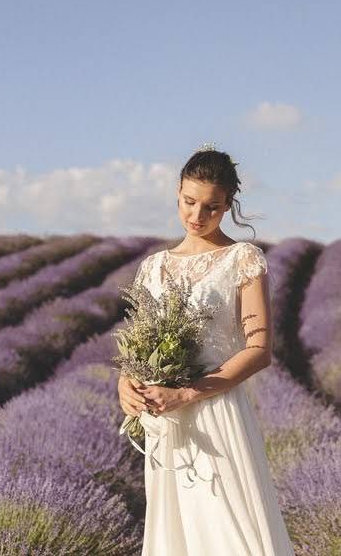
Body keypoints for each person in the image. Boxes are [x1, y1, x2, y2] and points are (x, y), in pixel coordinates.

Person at [117, 143, 296, 556]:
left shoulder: (242, 259)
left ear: (229, 205)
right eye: (189, 202)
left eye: (211, 208)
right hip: (164, 419)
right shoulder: (154, 266)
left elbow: (260, 349)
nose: (197, 216)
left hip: (216, 411)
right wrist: (126, 384)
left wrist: (186, 392)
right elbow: (138, 344)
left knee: (229, 529)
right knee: (178, 534)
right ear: (177, 192)